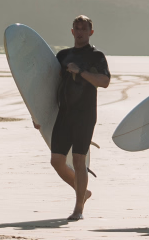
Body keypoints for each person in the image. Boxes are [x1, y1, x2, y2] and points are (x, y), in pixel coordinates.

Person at [46, 15, 109, 220]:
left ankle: (78, 208)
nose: (80, 31)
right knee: (56, 161)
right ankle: (83, 192)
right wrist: (37, 113)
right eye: (77, 28)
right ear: (72, 31)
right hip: (64, 114)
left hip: (85, 114)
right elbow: (49, 86)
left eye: (84, 28)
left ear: (91, 32)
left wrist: (80, 72)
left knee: (79, 160)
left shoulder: (96, 56)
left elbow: (104, 81)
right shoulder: (62, 55)